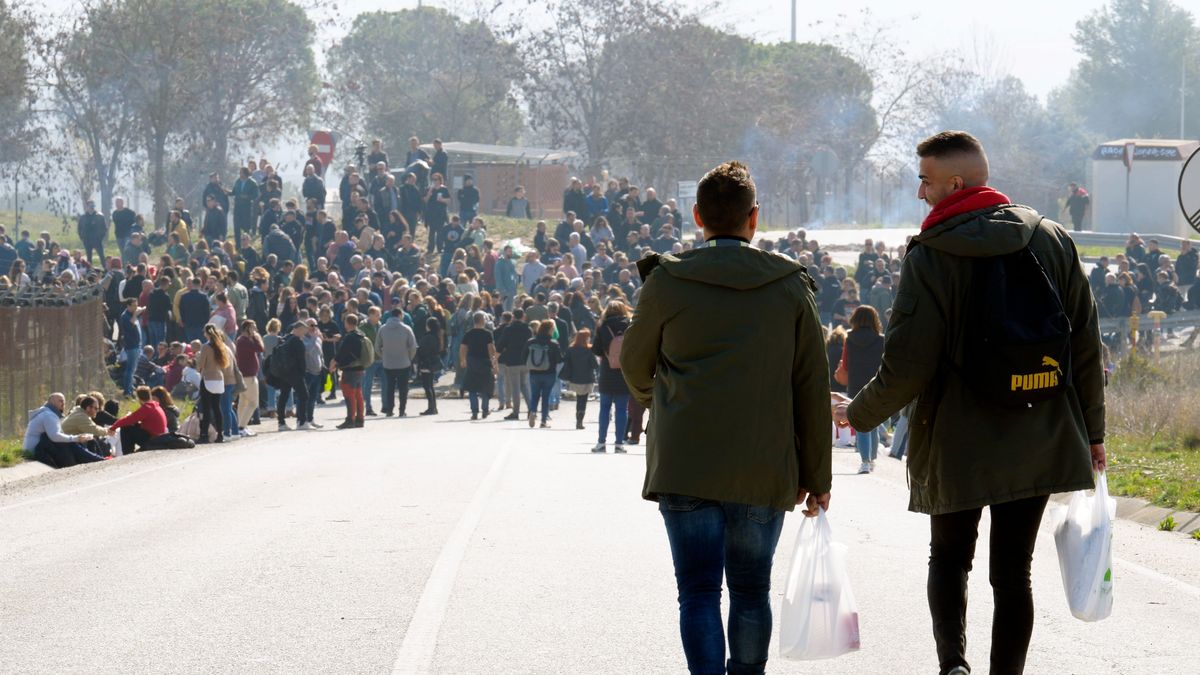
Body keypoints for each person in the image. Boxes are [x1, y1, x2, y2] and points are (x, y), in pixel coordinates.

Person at [834, 131, 1105, 675]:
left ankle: (954, 666)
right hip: (1040, 428)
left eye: (925, 182)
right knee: (1013, 574)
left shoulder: (931, 255)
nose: (919, 194)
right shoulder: (1050, 238)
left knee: (949, 559)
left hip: (958, 436)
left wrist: (855, 413)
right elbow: (1085, 345)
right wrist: (1093, 434)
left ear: (954, 184)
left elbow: (908, 362)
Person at [619, 160, 831, 675]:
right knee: (751, 589)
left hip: (685, 460)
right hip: (763, 463)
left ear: (697, 216)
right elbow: (811, 387)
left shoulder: (668, 281)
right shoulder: (789, 286)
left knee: (696, 592)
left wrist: (662, 399)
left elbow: (633, 363)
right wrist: (818, 477)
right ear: (754, 218)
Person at [841, 305, 886, 474]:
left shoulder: (849, 338)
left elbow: (845, 364)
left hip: (855, 383)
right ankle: (872, 458)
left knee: (861, 422)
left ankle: (865, 460)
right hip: (876, 383)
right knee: (873, 420)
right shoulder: (881, 339)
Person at [590, 300, 631, 453]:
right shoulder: (630, 325)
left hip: (607, 371)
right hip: (624, 372)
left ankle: (601, 442)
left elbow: (596, 350)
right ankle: (619, 443)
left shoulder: (602, 326)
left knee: (604, 408)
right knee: (622, 409)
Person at [24, 393, 104, 468]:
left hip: (40, 447)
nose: (63, 404)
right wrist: (75, 438)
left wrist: (75, 438)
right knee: (71, 443)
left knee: (81, 440)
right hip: (35, 450)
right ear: (51, 402)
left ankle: (97, 459)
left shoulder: (48, 413)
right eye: (60, 401)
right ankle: (97, 460)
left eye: (64, 401)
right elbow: (55, 436)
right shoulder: (49, 415)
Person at [377, 307, 418, 417]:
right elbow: (413, 346)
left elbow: (377, 347)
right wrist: (409, 357)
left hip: (388, 363)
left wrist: (383, 356)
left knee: (390, 387)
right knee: (403, 388)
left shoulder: (382, 328)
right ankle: (402, 410)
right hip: (404, 363)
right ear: (400, 315)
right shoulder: (406, 329)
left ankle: (389, 410)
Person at [331, 312, 370, 429]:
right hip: (360, 368)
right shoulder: (361, 335)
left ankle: (350, 420)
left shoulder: (349, 337)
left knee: (349, 394)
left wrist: (334, 363)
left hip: (350, 369)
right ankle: (360, 419)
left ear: (347, 323)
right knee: (358, 394)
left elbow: (343, 353)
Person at [274, 322, 313, 431]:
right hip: (295, 373)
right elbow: (301, 359)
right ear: (298, 329)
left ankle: (281, 423)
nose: (304, 333)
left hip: (284, 372)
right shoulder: (297, 341)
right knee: (304, 395)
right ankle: (302, 421)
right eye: (304, 330)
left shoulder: (283, 339)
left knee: (283, 396)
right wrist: (303, 372)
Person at [195, 324, 231, 443]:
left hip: (208, 379)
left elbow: (201, 365)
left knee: (206, 408)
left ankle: (204, 434)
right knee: (217, 407)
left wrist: (198, 360)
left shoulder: (206, 347)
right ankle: (220, 434)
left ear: (206, 333)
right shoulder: (221, 346)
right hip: (219, 379)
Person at [460, 311, 498, 420]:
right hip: (485, 362)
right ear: (482, 321)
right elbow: (491, 349)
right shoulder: (487, 334)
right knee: (486, 386)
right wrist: (494, 363)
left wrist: (463, 360)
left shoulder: (468, 333)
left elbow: (463, 347)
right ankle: (485, 410)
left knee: (472, 387)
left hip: (472, 361)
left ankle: (474, 412)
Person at [523, 319, 561, 428]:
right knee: (546, 396)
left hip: (534, 373)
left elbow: (523, 356)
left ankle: (533, 412)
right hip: (549, 373)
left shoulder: (531, 342)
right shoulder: (553, 344)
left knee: (535, 395)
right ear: (550, 330)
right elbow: (559, 359)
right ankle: (544, 420)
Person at [107, 386, 168, 453]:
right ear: (150, 395)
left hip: (153, 439)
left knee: (126, 427)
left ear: (138, 398)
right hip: (159, 437)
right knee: (133, 424)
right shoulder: (155, 405)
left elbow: (128, 420)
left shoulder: (147, 408)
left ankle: (128, 453)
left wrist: (113, 428)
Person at [497, 308, 533, 419]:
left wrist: (495, 358)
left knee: (515, 388)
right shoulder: (528, 329)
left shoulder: (509, 329)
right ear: (523, 316)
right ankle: (531, 409)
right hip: (525, 361)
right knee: (524, 386)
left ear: (513, 316)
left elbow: (501, 345)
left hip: (512, 361)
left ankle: (516, 412)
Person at [560, 328, 597, 430]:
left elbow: (566, 362)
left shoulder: (571, 349)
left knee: (579, 399)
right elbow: (594, 365)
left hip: (575, 378)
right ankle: (580, 420)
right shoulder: (589, 350)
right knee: (583, 400)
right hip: (587, 378)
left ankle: (578, 420)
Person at [235, 320, 263, 433]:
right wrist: (256, 337)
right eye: (253, 328)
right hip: (248, 376)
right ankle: (241, 427)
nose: (255, 330)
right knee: (253, 402)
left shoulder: (242, 340)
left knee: (243, 402)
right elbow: (260, 348)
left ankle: (240, 426)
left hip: (246, 375)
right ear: (247, 328)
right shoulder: (244, 341)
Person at [416, 317, 443, 415]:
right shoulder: (436, 336)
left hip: (426, 362)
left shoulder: (428, 337)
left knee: (427, 386)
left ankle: (431, 407)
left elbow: (423, 350)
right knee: (430, 385)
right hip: (432, 362)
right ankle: (433, 407)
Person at [116, 298, 143, 396]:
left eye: (136, 305)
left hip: (136, 345)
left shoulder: (132, 314)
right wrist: (136, 314)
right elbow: (131, 324)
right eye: (133, 306)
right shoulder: (125, 316)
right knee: (130, 369)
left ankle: (130, 388)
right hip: (131, 346)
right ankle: (127, 391)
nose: (135, 308)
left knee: (133, 369)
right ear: (128, 306)